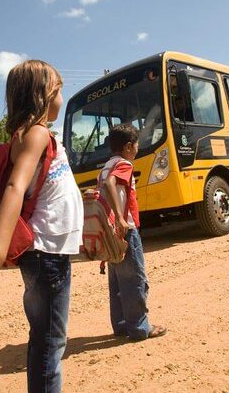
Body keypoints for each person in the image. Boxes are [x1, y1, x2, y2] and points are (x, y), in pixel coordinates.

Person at [0, 60, 83, 393]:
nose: (62, 97)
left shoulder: (30, 136)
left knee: (45, 338)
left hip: (47, 252)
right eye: (58, 89)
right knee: (50, 341)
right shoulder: (35, 134)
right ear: (42, 95)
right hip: (46, 254)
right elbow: (14, 189)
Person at [98, 124, 167, 341]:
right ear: (129, 146)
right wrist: (120, 218)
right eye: (136, 144)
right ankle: (140, 328)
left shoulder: (105, 167)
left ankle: (121, 326)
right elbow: (111, 185)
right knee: (135, 278)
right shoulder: (124, 164)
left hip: (111, 233)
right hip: (126, 229)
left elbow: (105, 187)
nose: (138, 148)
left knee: (118, 281)